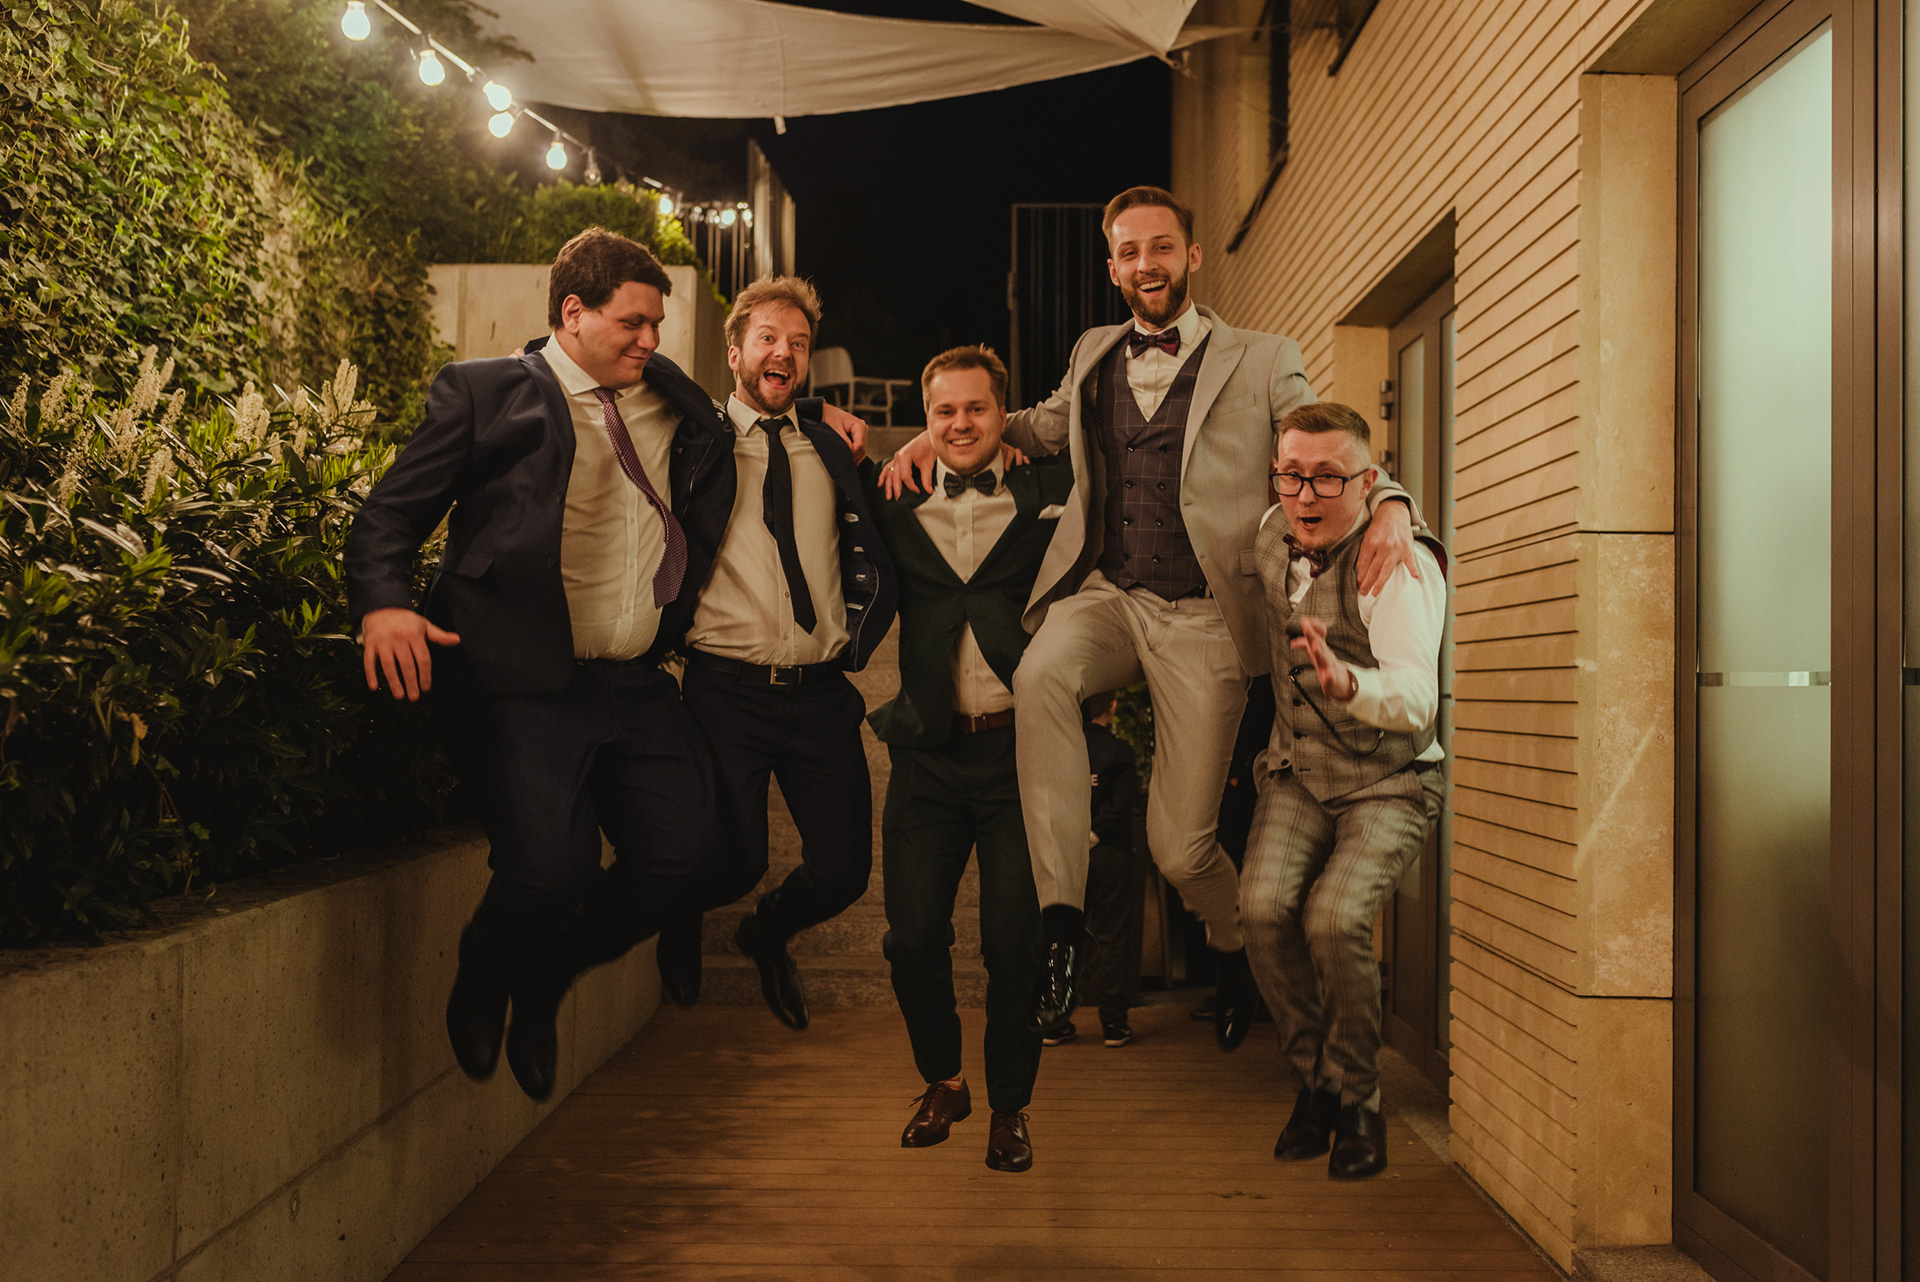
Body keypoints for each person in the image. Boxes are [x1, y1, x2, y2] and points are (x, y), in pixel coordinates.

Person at [885, 185, 1425, 1050]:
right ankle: (1061, 923)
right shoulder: (1093, 350)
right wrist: (933, 435)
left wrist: (1391, 501)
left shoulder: (1263, 357)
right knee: (1040, 671)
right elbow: (1037, 426)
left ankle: (1241, 943)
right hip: (1112, 592)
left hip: (1207, 614)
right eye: (1130, 251)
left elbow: (1320, 443)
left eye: (1161, 247)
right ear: (1112, 268)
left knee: (1180, 849)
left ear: (1191, 256)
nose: (1147, 264)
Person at [345, 228, 738, 1102]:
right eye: (634, 323)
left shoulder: (672, 400)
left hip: (635, 680)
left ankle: (549, 975)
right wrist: (383, 603)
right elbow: (388, 517)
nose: (652, 339)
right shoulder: (485, 393)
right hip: (522, 682)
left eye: (657, 323)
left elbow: (744, 428)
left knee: (692, 859)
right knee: (551, 870)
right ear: (574, 312)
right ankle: (485, 975)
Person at [672, 275, 897, 1032]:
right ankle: (675, 909)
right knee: (732, 861)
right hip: (724, 691)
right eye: (767, 338)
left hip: (819, 694)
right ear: (734, 351)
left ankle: (767, 932)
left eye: (798, 344)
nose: (784, 353)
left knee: (844, 871)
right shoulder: (694, 441)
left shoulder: (831, 446)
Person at [868, 344, 1068, 1173]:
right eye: (943, 412)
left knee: (1014, 947)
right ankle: (945, 1081)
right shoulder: (893, 497)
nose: (960, 424)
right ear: (926, 419)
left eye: (976, 409)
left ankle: (1011, 1108)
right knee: (912, 938)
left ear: (1002, 415)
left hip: (1024, 756)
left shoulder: (1049, 490)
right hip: (929, 754)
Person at [1240, 401, 1447, 1181]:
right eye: (1291, 475)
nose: (1306, 494)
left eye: (1328, 477)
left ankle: (1361, 1100)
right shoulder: (1271, 532)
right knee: (1261, 912)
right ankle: (1317, 1082)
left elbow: (1417, 700)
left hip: (1389, 779)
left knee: (1333, 919)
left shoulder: (1401, 565)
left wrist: (1348, 682)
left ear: (1367, 483)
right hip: (1299, 769)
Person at [1041, 691, 1141, 1048]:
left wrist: (1072, 838)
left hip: (1064, 856)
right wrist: (1094, 834)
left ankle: (1055, 1021)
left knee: (1062, 935)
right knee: (1113, 935)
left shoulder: (1059, 749)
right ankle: (1113, 1024)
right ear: (1112, 707)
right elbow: (1122, 803)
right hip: (1109, 853)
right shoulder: (1119, 751)